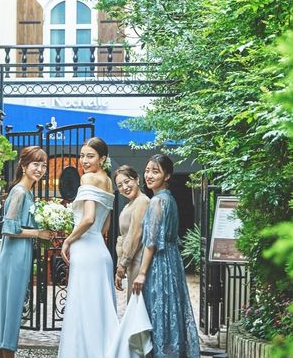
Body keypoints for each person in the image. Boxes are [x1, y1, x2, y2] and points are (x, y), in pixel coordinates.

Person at [0, 146, 54, 358]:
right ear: (24, 166)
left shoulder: (28, 192)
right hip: (14, 256)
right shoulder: (19, 192)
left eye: (43, 165)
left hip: (19, 254)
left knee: (11, 310)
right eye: (35, 164)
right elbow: (9, 229)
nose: (40, 169)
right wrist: (39, 233)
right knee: (11, 310)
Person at [132, 154, 200, 358]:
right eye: (147, 170)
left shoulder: (157, 202)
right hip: (172, 260)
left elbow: (151, 242)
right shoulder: (169, 199)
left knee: (158, 309)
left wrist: (141, 273)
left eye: (156, 171)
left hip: (159, 263)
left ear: (167, 175)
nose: (149, 175)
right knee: (171, 308)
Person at [57, 137, 118, 358]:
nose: (84, 160)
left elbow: (89, 218)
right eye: (82, 156)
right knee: (99, 309)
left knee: (83, 307)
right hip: (100, 251)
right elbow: (106, 225)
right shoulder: (108, 181)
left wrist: (68, 240)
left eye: (90, 156)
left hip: (85, 250)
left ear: (102, 158)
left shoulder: (88, 178)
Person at [114, 165, 150, 300]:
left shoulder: (142, 201)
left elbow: (135, 234)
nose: (124, 187)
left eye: (127, 181)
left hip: (138, 257)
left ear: (137, 179)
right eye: (120, 185)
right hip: (130, 258)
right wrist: (121, 263)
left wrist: (123, 263)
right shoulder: (129, 204)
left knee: (136, 302)